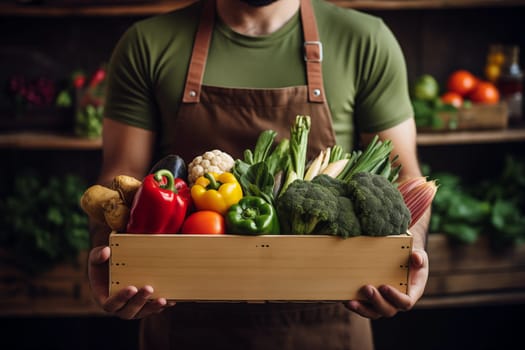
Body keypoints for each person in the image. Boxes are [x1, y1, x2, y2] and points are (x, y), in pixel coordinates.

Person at [88, 0, 430, 348]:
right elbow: (121, 178)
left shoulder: (365, 40)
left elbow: (405, 179)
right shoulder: (147, 43)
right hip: (184, 322)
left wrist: (408, 254)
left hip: (328, 325)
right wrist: (111, 258)